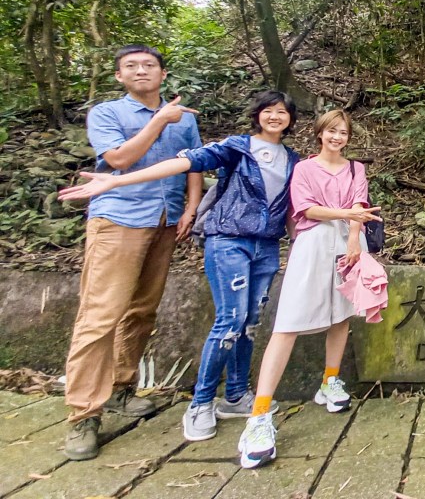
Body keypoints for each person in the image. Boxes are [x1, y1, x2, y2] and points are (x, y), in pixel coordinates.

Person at [59, 91, 301, 443]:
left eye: (282, 112)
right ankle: (200, 403)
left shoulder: (293, 159)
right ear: (257, 115)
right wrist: (119, 179)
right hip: (228, 240)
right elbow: (185, 162)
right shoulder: (237, 147)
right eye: (268, 110)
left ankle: (236, 395)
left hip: (265, 245)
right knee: (230, 321)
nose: (275, 116)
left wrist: (298, 244)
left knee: (249, 322)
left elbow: (291, 207)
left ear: (291, 119)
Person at [62, 44, 203, 461]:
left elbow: (194, 163)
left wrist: (191, 207)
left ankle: (121, 388)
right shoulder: (107, 113)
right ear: (119, 75)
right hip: (118, 219)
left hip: (165, 219)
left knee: (142, 310)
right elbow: (120, 159)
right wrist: (158, 121)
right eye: (131, 66)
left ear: (163, 73)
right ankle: (83, 414)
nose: (141, 70)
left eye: (149, 65)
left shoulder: (184, 118)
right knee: (100, 314)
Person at [238, 109, 381, 469]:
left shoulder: (355, 169)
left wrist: (354, 238)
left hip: (349, 242)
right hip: (313, 243)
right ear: (320, 133)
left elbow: (360, 205)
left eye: (343, 132)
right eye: (331, 131)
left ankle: (330, 380)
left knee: (342, 315)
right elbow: (307, 209)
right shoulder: (303, 168)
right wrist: (347, 215)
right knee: (288, 323)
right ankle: (259, 414)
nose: (337, 137)